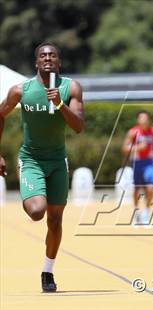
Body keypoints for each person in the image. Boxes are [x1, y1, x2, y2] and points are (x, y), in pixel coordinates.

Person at [0, 42, 85, 292]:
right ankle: (33, 190)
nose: (47, 58)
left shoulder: (72, 87)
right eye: (43, 56)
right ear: (36, 62)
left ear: (58, 61)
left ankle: (47, 272)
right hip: (32, 160)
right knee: (38, 211)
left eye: (52, 55)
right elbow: (1, 114)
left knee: (56, 221)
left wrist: (60, 104)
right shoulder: (20, 90)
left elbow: (79, 126)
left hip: (58, 161)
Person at [122, 111, 153, 226]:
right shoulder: (133, 132)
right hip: (137, 163)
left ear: (149, 120)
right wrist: (137, 147)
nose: (143, 120)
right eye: (141, 118)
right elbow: (124, 149)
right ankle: (137, 211)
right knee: (137, 189)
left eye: (145, 118)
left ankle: (147, 212)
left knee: (150, 188)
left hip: (149, 163)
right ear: (138, 120)